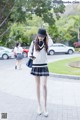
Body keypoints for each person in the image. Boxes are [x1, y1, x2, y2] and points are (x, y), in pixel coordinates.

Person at [28, 28, 49, 117]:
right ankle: (39, 106)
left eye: (43, 36)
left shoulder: (47, 43)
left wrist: (46, 34)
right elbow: (29, 53)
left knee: (43, 85)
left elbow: (51, 40)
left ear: (45, 36)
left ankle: (45, 108)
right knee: (37, 86)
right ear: (37, 35)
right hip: (36, 66)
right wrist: (32, 57)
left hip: (44, 66)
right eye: (40, 36)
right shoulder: (33, 42)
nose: (41, 37)